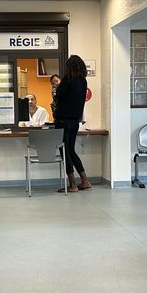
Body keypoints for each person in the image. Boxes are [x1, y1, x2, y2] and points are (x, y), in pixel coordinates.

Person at [53, 56, 92, 193]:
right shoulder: (83, 81)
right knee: (71, 150)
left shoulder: (67, 79)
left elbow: (58, 96)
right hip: (75, 121)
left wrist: (57, 88)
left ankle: (72, 184)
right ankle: (85, 180)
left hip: (63, 120)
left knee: (64, 151)